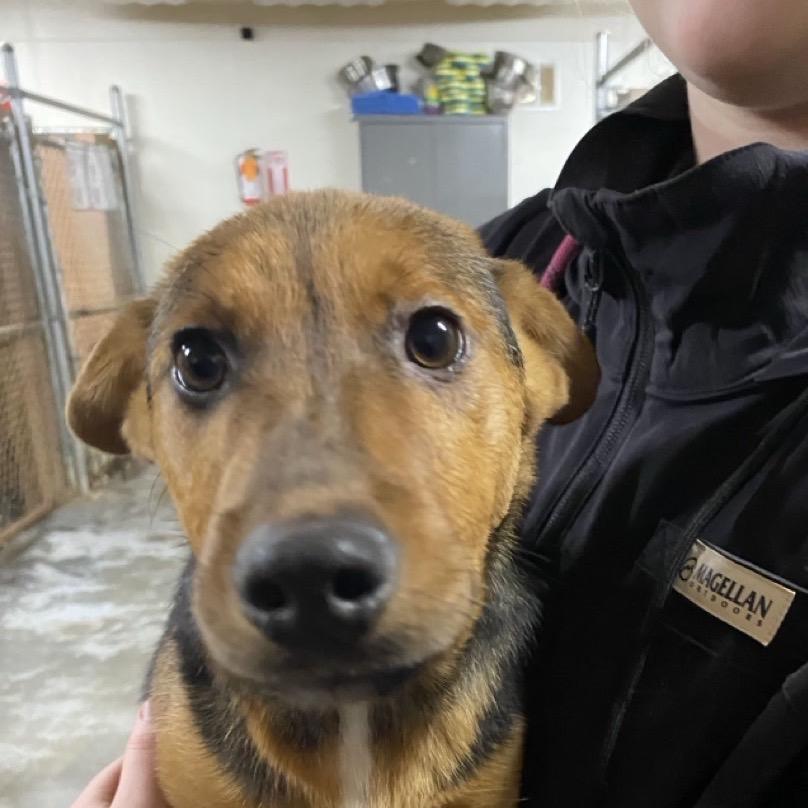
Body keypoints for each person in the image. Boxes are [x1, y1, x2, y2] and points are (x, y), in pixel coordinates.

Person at [73, 0, 808, 805]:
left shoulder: (510, 298)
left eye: (432, 342)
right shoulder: (536, 253)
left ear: (547, 376)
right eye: (200, 363)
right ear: (141, 416)